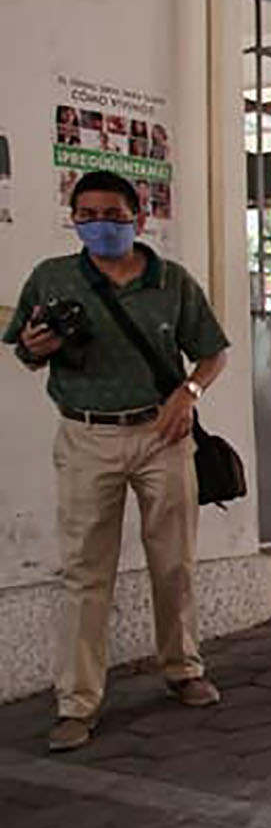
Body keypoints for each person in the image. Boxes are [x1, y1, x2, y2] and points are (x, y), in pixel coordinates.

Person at [5, 170, 228, 752]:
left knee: (173, 559)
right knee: (84, 570)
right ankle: (77, 703)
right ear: (74, 220)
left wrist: (190, 393)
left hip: (162, 433)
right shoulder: (52, 278)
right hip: (85, 437)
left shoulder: (171, 281)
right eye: (87, 216)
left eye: (112, 214)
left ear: (138, 218)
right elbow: (25, 351)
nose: (99, 225)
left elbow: (212, 353)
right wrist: (35, 349)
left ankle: (183, 667)